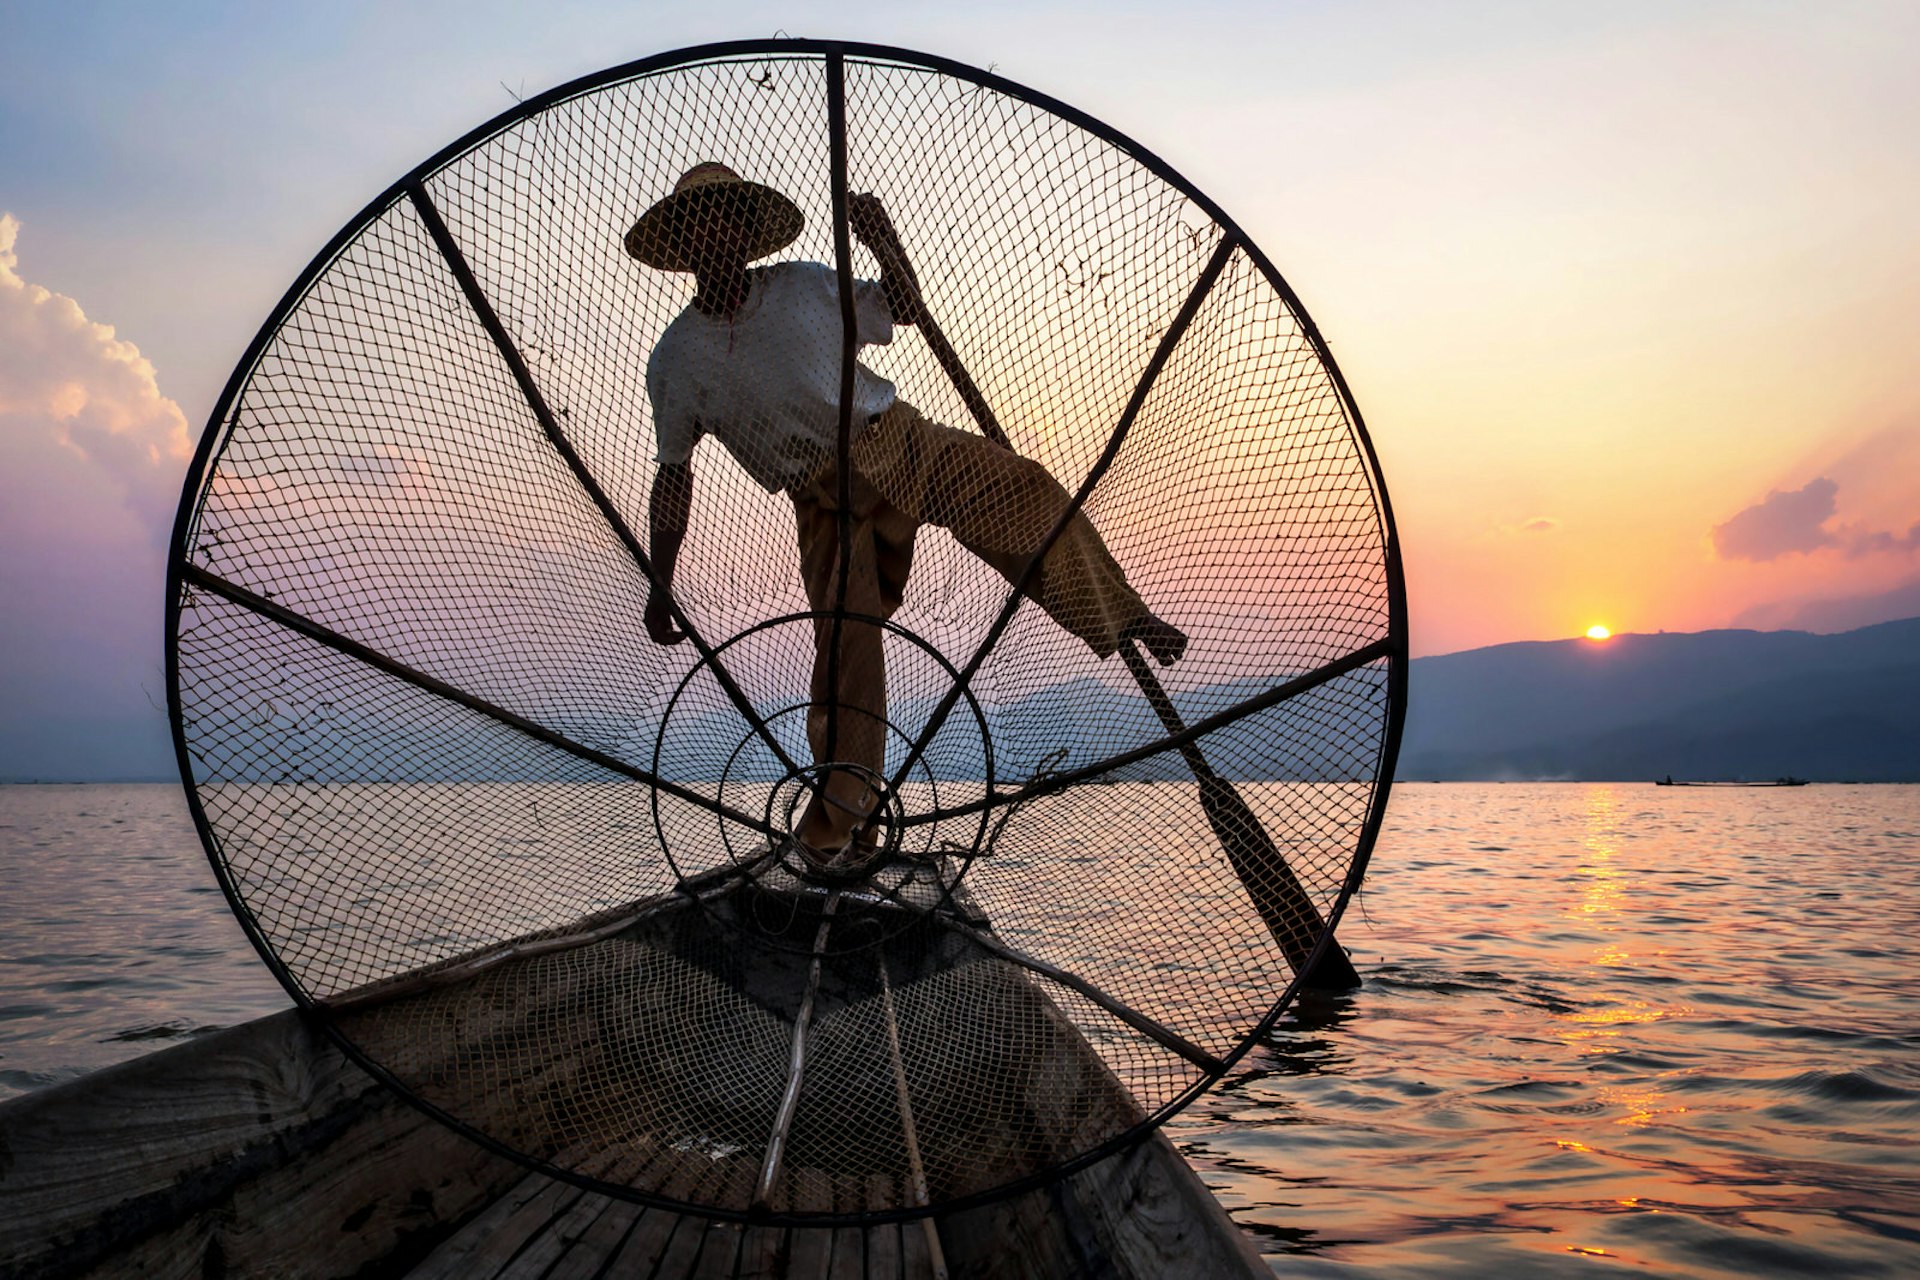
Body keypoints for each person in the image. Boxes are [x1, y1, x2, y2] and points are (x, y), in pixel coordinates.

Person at [628, 162, 1184, 864]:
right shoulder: (678, 359)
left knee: (1028, 492)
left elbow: (904, 306)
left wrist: (882, 239)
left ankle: (1122, 612)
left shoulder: (803, 287)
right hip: (823, 501)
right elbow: (673, 476)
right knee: (844, 656)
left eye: (726, 217)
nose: (715, 230)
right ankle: (845, 831)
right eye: (697, 220)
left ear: (744, 232)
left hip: (895, 439)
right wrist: (660, 581)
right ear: (681, 242)